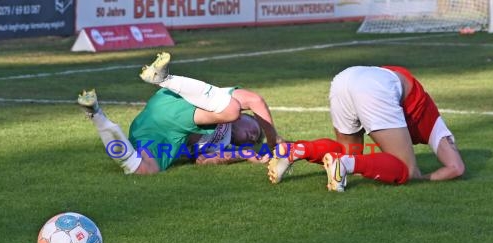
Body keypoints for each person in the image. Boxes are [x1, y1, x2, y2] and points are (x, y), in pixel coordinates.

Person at [77, 52, 281, 175]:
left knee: (142, 169)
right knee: (232, 110)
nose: (252, 136)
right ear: (249, 116)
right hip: (174, 103)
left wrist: (244, 153)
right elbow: (256, 100)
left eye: (253, 138)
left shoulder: (224, 144)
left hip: (156, 129)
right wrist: (275, 143)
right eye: (255, 129)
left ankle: (96, 114)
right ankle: (166, 79)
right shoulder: (222, 100)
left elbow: (203, 161)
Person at [268, 65, 465, 192]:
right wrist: (421, 178)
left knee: (349, 152)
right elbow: (456, 168)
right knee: (407, 170)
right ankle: (343, 164)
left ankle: (295, 150)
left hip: (345, 78)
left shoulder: (423, 108)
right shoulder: (433, 121)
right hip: (374, 86)